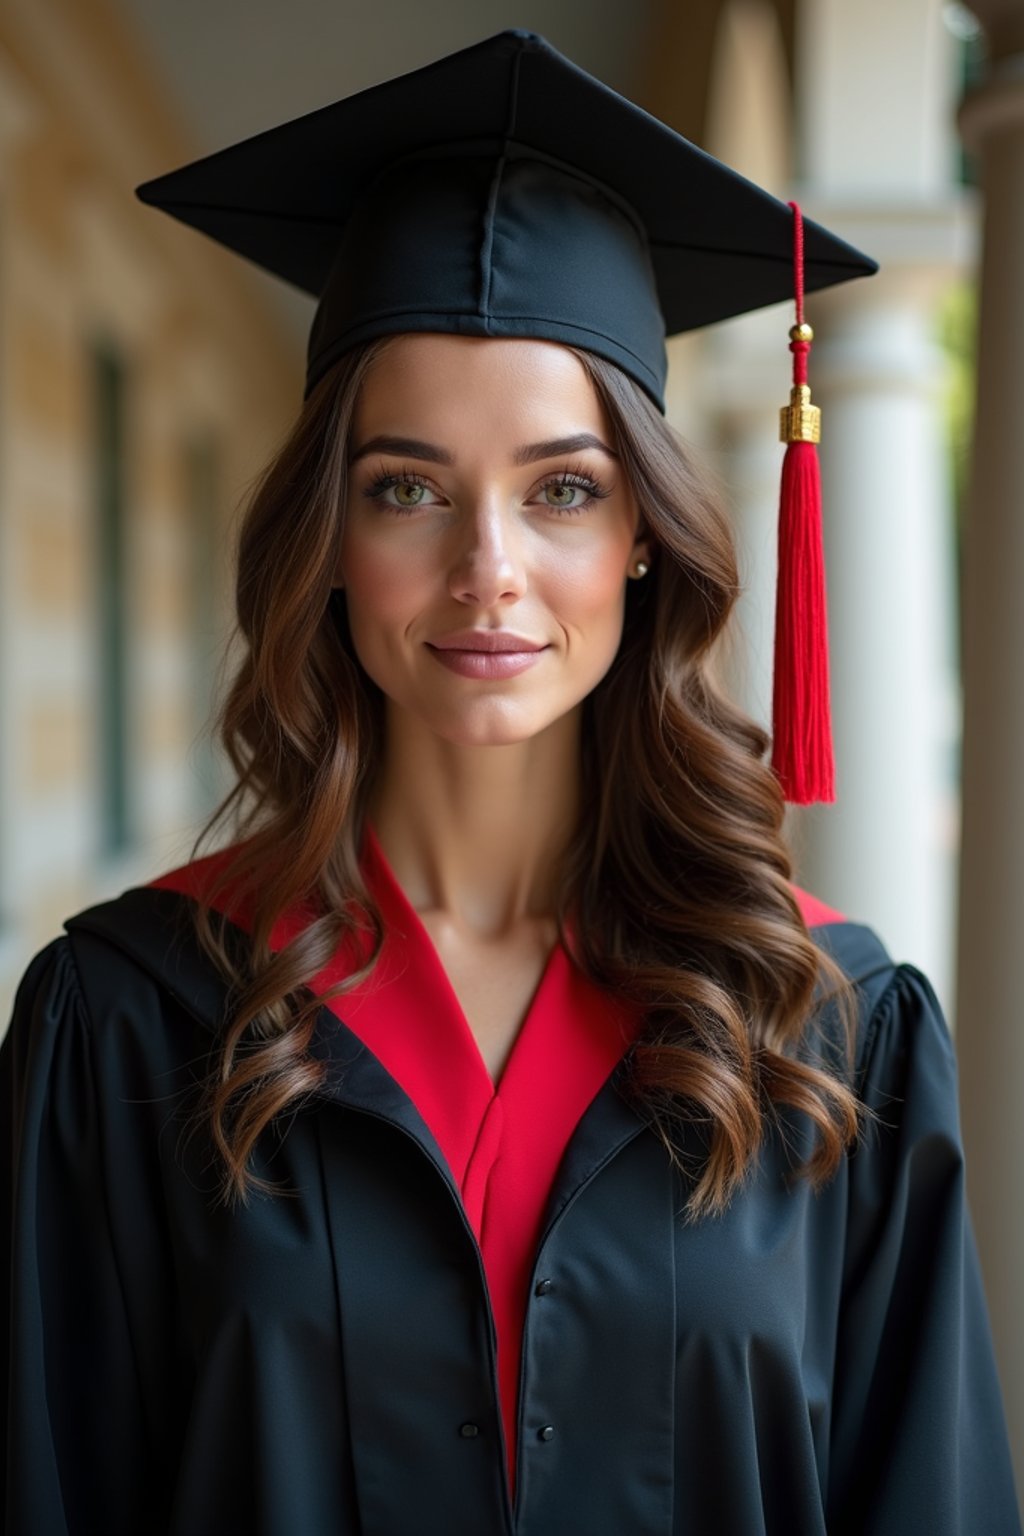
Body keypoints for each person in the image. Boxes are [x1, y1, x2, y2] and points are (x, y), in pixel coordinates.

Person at [1, 27, 1020, 1536]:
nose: (489, 573)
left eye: (563, 490)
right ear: (327, 543)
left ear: (646, 538)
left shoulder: (828, 1033)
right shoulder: (131, 1025)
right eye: (405, 488)